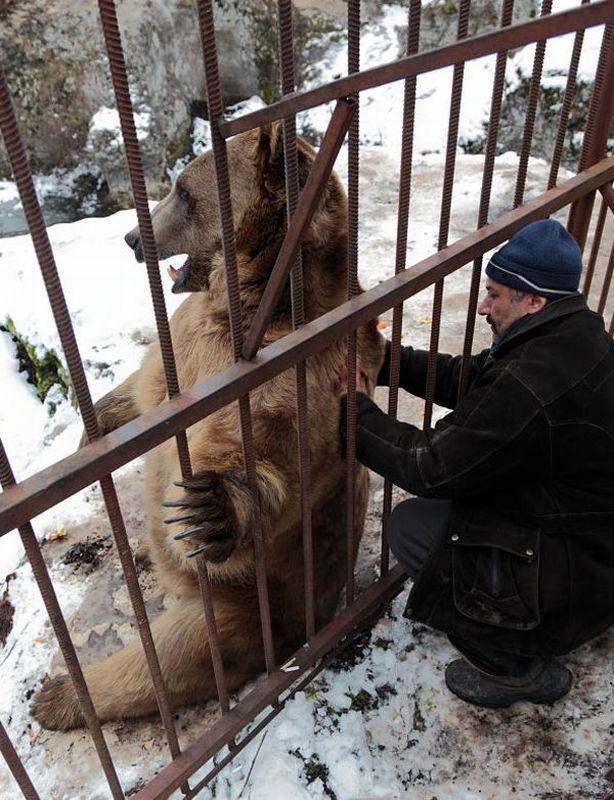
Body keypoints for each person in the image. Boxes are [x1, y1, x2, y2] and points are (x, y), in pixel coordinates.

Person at [340, 218, 614, 708]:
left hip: (581, 576)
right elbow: (474, 379)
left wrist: (353, 413)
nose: (484, 306)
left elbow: (429, 467)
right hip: (591, 544)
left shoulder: (533, 385)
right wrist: (386, 362)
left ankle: (514, 666)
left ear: (533, 301)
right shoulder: (572, 334)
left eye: (494, 295)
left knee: (413, 526)